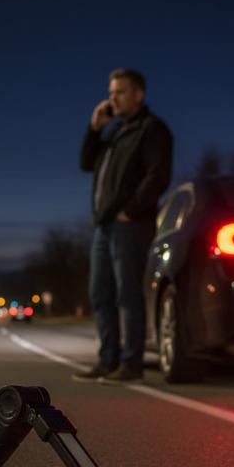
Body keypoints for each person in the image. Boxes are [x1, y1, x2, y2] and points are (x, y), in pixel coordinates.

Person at [73, 68, 173, 383]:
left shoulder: (151, 129)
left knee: (127, 294)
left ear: (138, 94)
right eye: (110, 92)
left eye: (119, 92)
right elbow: (86, 163)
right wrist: (94, 129)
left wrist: (131, 209)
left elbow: (158, 175)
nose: (112, 98)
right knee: (100, 294)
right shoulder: (116, 133)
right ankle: (108, 361)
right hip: (104, 226)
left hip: (130, 225)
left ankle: (131, 364)